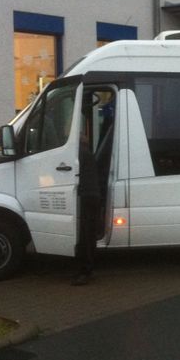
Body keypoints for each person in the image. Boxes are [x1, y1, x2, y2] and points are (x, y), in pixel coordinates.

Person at [72, 108, 101, 286]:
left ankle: (86, 271)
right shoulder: (86, 152)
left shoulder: (80, 154)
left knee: (86, 235)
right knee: (88, 235)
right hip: (92, 195)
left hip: (87, 196)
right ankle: (88, 268)